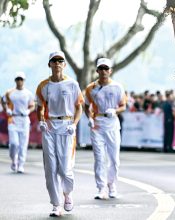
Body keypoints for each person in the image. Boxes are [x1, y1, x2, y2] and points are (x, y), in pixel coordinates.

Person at [36, 51, 84, 217]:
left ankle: (67, 193)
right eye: (53, 61)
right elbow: (40, 106)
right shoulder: (43, 85)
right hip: (49, 126)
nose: (57, 63)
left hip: (66, 126)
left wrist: (74, 124)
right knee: (51, 168)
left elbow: (79, 106)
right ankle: (56, 204)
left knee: (65, 169)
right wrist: (41, 120)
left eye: (60, 60)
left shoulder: (72, 84)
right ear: (49, 64)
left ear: (64, 64)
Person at [84, 58, 126, 200]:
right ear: (97, 71)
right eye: (101, 68)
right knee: (99, 158)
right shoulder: (91, 88)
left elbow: (123, 106)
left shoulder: (118, 87)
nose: (103, 71)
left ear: (110, 70)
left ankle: (112, 185)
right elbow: (86, 105)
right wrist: (89, 118)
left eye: (106, 68)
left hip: (112, 124)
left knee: (114, 159)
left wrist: (115, 111)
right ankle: (101, 188)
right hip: (97, 125)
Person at [1, 72, 35, 173]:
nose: (19, 81)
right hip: (13, 120)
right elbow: (3, 101)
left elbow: (33, 105)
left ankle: (20, 164)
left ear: (24, 81)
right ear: (15, 80)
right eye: (18, 79)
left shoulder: (28, 93)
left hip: (24, 120)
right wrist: (6, 109)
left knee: (23, 145)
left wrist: (28, 111)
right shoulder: (10, 92)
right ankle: (13, 160)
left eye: (21, 79)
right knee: (14, 144)